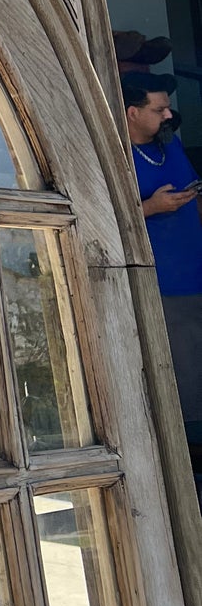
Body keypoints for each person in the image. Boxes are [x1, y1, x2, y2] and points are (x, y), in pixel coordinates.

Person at [123, 72, 202, 471]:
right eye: (158, 109)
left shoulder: (169, 146)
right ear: (132, 113)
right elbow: (101, 223)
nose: (168, 114)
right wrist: (151, 208)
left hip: (196, 272)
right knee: (184, 386)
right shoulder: (115, 156)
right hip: (162, 284)